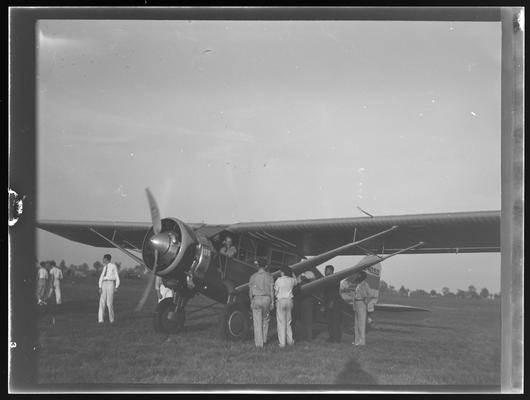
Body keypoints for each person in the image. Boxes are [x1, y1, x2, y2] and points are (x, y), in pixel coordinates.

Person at [248, 258, 274, 347]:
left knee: (257, 321)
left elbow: (250, 292)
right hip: (267, 299)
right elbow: (271, 291)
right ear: (266, 266)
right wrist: (272, 302)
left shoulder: (253, 276)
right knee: (266, 319)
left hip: (256, 298)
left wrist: (251, 301)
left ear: (257, 265)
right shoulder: (270, 276)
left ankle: (259, 343)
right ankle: (264, 339)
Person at [274, 265, 298, 347]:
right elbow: (297, 281)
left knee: (281, 323)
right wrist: (292, 273)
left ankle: (282, 343)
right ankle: (290, 341)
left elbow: (276, 292)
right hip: (289, 301)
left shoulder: (278, 280)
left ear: (283, 272)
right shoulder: (291, 280)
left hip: (281, 301)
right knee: (288, 322)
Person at [98, 254, 120, 324]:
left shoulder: (113, 266)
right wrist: (100, 286)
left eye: (103, 259)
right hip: (104, 283)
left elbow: (116, 276)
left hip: (110, 283)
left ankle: (111, 319)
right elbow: (101, 276)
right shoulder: (104, 267)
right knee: (102, 302)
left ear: (106, 259)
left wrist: (116, 286)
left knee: (109, 303)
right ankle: (100, 319)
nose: (102, 260)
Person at [323, 265, 342, 343]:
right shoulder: (326, 279)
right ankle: (331, 337)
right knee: (330, 321)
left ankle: (337, 339)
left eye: (326, 270)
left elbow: (335, 292)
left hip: (334, 303)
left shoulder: (335, 279)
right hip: (328, 303)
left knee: (335, 321)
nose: (325, 271)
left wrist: (332, 302)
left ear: (331, 270)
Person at [296, 271, 315, 341]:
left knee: (305, 320)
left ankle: (307, 337)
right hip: (306, 303)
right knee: (307, 320)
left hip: (304, 302)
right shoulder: (310, 284)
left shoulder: (301, 284)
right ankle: (308, 336)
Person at [352, 271, 370, 346]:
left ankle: (362, 342)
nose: (357, 276)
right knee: (356, 324)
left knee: (361, 323)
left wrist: (365, 302)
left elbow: (368, 295)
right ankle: (356, 341)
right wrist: (354, 305)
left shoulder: (365, 284)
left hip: (361, 303)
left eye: (358, 275)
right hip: (356, 303)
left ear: (362, 276)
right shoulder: (358, 284)